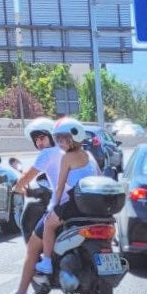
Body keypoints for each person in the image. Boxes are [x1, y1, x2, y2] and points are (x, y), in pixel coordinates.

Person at [1, 118, 61, 294]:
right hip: (80, 203)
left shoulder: (48, 154)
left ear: (52, 137)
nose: (39, 143)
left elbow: (28, 176)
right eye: (36, 140)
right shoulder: (69, 153)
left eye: (42, 137)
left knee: (33, 247)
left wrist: (17, 188)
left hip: (61, 206)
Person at [33, 117, 98, 276]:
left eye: (64, 139)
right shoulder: (89, 155)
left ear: (74, 139)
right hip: (95, 204)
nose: (60, 143)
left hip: (76, 204)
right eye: (58, 139)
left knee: (48, 224)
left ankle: (47, 262)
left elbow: (60, 186)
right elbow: (100, 176)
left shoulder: (66, 158)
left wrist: (52, 207)